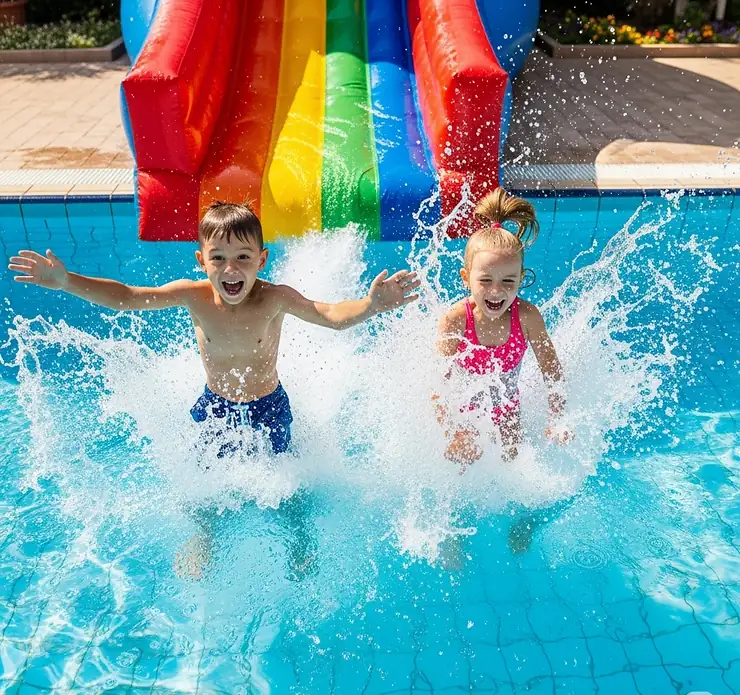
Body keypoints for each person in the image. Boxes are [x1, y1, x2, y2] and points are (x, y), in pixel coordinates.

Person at [9, 201, 420, 576]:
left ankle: (300, 540)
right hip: (215, 409)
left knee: (288, 489)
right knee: (203, 493)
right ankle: (204, 538)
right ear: (201, 260)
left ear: (261, 259)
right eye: (218, 258)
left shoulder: (274, 298)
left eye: (243, 258)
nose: (230, 270)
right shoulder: (195, 296)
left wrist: (370, 306)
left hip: (269, 408)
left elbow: (328, 314)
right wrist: (66, 281)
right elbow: (129, 297)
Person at [435, 188, 571, 465]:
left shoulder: (527, 317)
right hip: (462, 412)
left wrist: (557, 418)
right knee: (460, 467)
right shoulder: (456, 319)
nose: (496, 291)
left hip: (507, 411)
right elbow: (438, 383)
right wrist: (451, 430)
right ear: (466, 278)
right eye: (485, 280)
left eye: (508, 281)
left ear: (521, 279)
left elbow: (552, 370)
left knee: (511, 472)